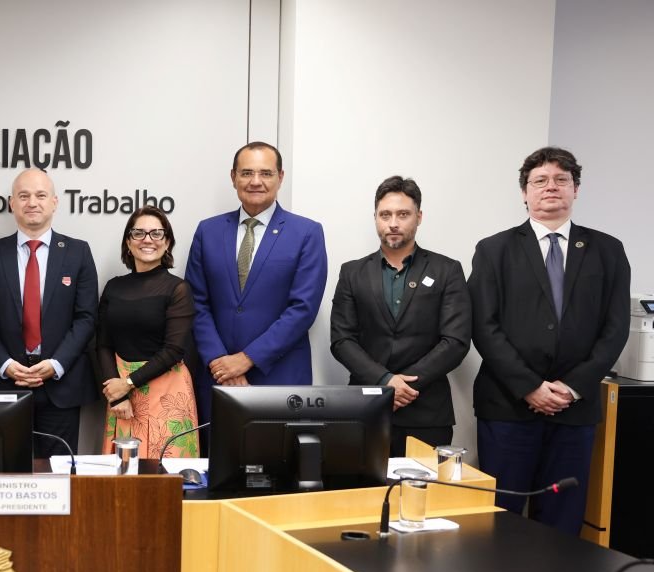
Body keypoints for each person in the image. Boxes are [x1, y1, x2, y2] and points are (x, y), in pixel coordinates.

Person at [468, 147, 630, 534]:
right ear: (524, 192)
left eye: (561, 179)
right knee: (501, 520)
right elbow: (484, 327)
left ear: (576, 189)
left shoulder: (607, 250)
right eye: (540, 180)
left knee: (562, 523)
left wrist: (572, 387)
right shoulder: (494, 250)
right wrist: (529, 386)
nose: (551, 187)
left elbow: (616, 328)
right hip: (508, 408)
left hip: (574, 410)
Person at [185, 141, 327, 426]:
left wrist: (247, 359)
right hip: (217, 376)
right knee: (218, 453)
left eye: (266, 173)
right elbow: (196, 302)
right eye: (247, 173)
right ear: (233, 177)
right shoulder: (208, 231)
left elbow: (302, 309)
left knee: (280, 454)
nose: (255, 181)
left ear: (280, 177)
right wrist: (220, 362)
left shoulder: (306, 233)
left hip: (280, 376)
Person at [330, 176, 471, 457]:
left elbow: (455, 341)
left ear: (419, 217)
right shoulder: (352, 272)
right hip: (366, 409)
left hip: (427, 412)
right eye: (385, 215)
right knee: (361, 485)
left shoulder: (447, 270)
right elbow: (342, 340)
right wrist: (385, 380)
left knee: (425, 485)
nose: (393, 223)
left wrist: (405, 386)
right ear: (375, 218)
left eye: (403, 214)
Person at [0, 168, 98, 457]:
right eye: (24, 196)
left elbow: (86, 317)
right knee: (4, 473)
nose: (32, 202)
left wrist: (56, 364)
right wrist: (5, 363)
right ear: (12, 203)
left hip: (60, 385)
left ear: (54, 202)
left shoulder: (78, 252)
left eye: (41, 195)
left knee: (57, 474)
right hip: (6, 384)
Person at [98, 206, 198, 458]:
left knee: (167, 473)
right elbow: (102, 344)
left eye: (156, 233)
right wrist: (116, 395)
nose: (147, 240)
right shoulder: (113, 287)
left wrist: (128, 384)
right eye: (139, 233)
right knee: (124, 473)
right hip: (120, 394)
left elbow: (174, 350)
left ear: (167, 242)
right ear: (128, 242)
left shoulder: (178, 289)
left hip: (167, 392)